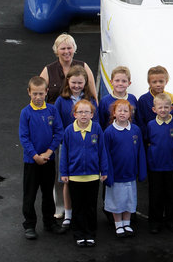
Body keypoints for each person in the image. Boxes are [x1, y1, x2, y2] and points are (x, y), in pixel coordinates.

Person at [19, 76, 65, 240]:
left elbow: (59, 132)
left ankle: (49, 222)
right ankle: (29, 225)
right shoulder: (26, 113)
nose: (38, 97)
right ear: (29, 93)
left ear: (46, 92)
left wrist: (48, 153)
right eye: (34, 94)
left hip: (48, 160)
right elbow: (24, 137)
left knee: (48, 193)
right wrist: (35, 155)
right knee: (29, 195)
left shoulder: (52, 111)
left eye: (41, 94)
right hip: (31, 162)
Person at [55, 65, 98, 229]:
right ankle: (68, 213)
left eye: (80, 82)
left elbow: (97, 121)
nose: (77, 86)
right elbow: (58, 124)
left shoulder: (90, 99)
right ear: (68, 81)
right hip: (68, 145)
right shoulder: (61, 100)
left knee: (85, 182)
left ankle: (84, 212)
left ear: (85, 82)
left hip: (87, 146)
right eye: (74, 82)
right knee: (66, 181)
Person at [60, 100, 108, 247]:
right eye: (80, 112)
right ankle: (79, 234)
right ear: (75, 114)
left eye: (87, 112)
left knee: (91, 207)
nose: (83, 115)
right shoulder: (69, 130)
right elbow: (64, 153)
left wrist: (104, 170)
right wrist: (64, 172)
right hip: (75, 176)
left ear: (92, 114)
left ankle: (90, 233)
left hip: (93, 176)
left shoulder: (97, 128)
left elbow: (102, 150)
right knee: (78, 207)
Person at [104, 99, 147, 238]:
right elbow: (105, 154)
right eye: (119, 110)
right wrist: (107, 173)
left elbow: (140, 151)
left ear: (130, 114)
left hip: (130, 173)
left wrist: (141, 171)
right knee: (117, 200)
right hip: (116, 174)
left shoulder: (135, 130)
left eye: (125, 110)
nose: (122, 113)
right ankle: (118, 224)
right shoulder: (109, 132)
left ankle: (127, 223)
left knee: (129, 199)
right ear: (114, 113)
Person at [146, 93, 173, 234]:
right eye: (160, 107)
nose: (163, 110)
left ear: (171, 108)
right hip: (155, 166)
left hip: (171, 165)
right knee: (155, 195)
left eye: (166, 107)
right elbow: (148, 140)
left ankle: (172, 221)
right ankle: (155, 222)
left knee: (171, 195)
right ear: (154, 109)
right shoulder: (150, 125)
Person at [40, 33, 97, 104]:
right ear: (56, 50)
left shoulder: (84, 67)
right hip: (54, 113)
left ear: (74, 49)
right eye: (63, 49)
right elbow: (38, 94)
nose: (66, 51)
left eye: (69, 48)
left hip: (80, 112)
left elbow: (93, 95)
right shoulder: (48, 70)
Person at [137, 65, 173, 140]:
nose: (158, 84)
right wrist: (148, 139)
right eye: (154, 82)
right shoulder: (143, 100)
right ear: (149, 82)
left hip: (168, 137)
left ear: (166, 81)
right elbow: (140, 123)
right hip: (150, 141)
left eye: (161, 81)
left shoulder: (171, 97)